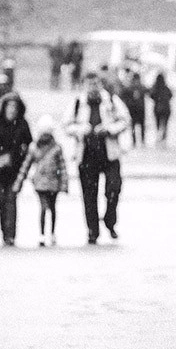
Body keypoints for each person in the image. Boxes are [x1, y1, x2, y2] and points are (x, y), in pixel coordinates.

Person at [65, 71, 130, 244]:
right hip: (86, 155)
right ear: (84, 85)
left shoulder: (112, 101)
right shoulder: (78, 103)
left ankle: (110, 220)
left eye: (96, 84)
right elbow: (67, 125)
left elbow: (125, 120)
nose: (93, 87)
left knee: (113, 189)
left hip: (109, 153)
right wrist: (82, 129)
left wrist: (109, 128)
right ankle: (92, 230)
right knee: (89, 195)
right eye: (89, 84)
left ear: (101, 85)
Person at [0, 92, 32, 246]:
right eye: (9, 106)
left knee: (11, 199)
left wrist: (22, 156)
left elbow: (30, 144)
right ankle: (4, 231)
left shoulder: (22, 124)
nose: (12, 110)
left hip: (15, 169)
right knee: (2, 200)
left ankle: (10, 234)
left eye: (14, 107)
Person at [13, 115, 68, 247]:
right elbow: (25, 166)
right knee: (44, 208)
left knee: (52, 208)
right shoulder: (34, 147)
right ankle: (43, 234)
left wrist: (64, 183)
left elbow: (62, 167)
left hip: (53, 182)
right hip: (40, 183)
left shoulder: (56, 148)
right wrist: (18, 182)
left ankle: (52, 233)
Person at [120, 72, 147, 147]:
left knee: (137, 126)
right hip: (137, 109)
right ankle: (139, 141)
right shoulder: (138, 87)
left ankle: (137, 141)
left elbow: (123, 95)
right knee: (138, 126)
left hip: (136, 109)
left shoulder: (131, 87)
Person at [150, 72, 173, 145]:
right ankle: (164, 137)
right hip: (166, 108)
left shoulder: (155, 88)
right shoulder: (166, 88)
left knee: (158, 124)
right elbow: (171, 95)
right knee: (165, 124)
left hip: (157, 108)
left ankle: (159, 136)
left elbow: (151, 96)